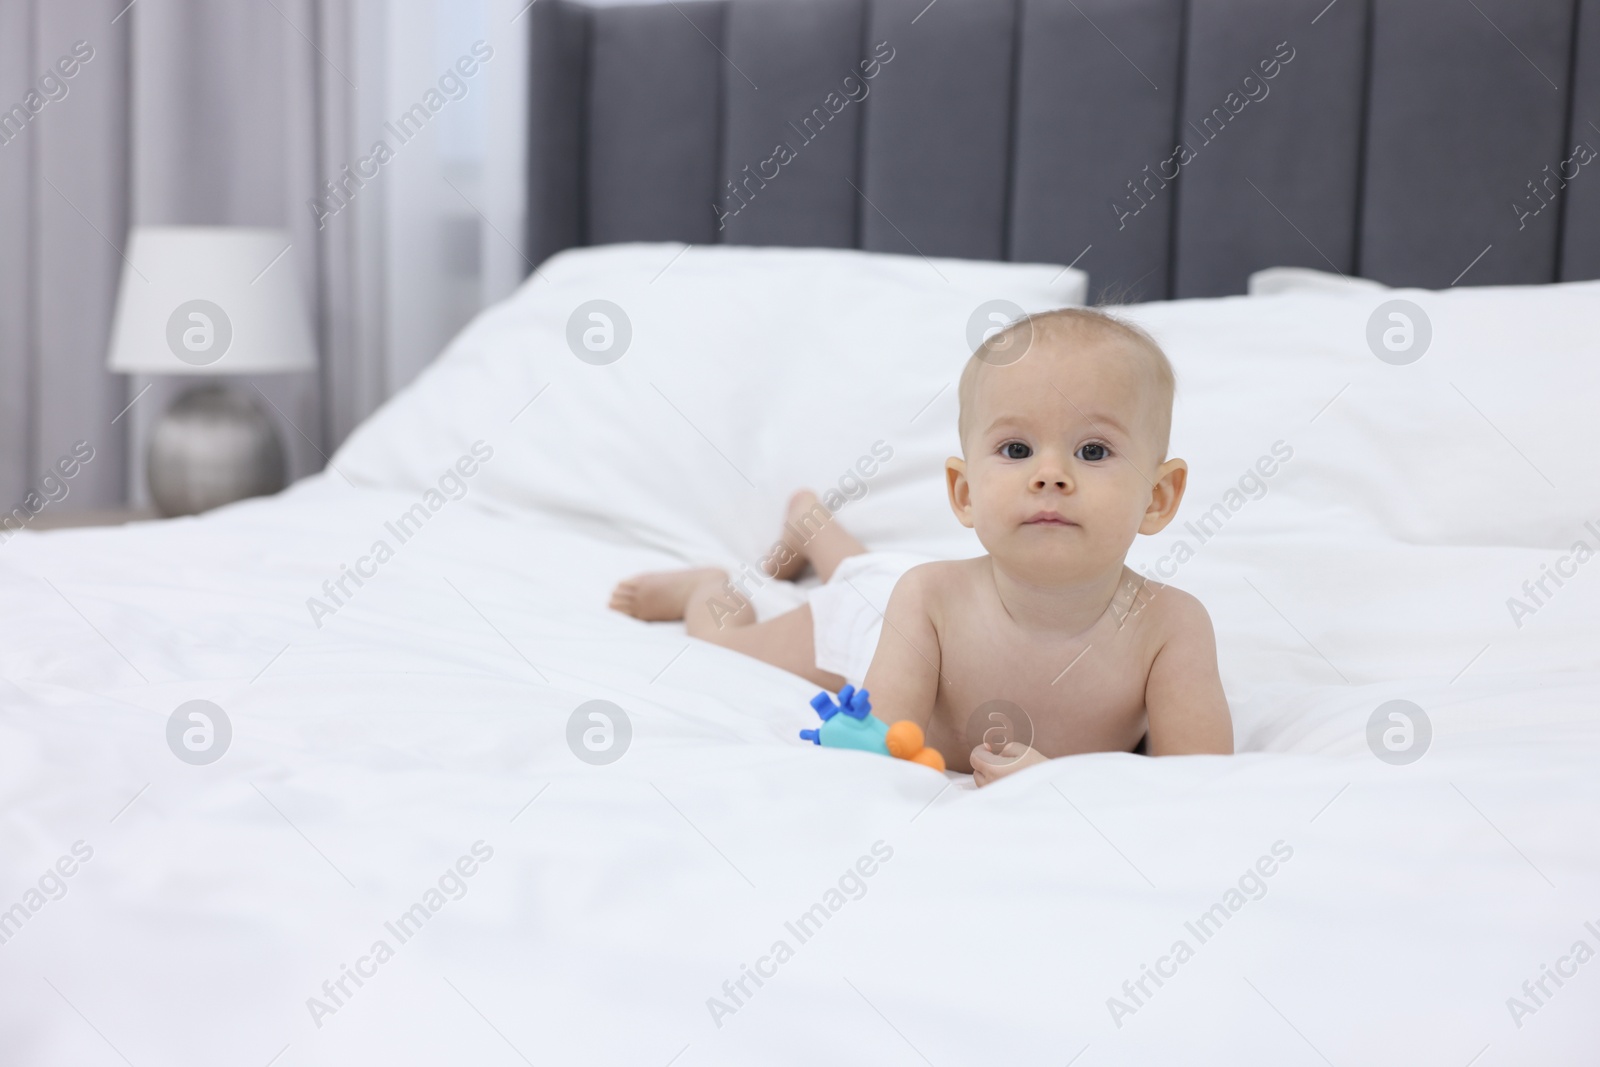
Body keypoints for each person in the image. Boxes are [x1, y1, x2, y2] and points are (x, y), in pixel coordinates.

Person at [610, 308, 1233, 784]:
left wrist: (1058, 782)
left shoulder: (1171, 628)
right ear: (963, 493)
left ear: (1159, 497)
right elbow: (884, 748)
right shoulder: (925, 599)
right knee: (736, 637)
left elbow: (1198, 784)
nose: (1050, 474)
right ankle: (706, 586)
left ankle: (811, 524)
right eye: (1016, 450)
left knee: (858, 566)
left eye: (1092, 451)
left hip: (904, 589)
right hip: (875, 615)